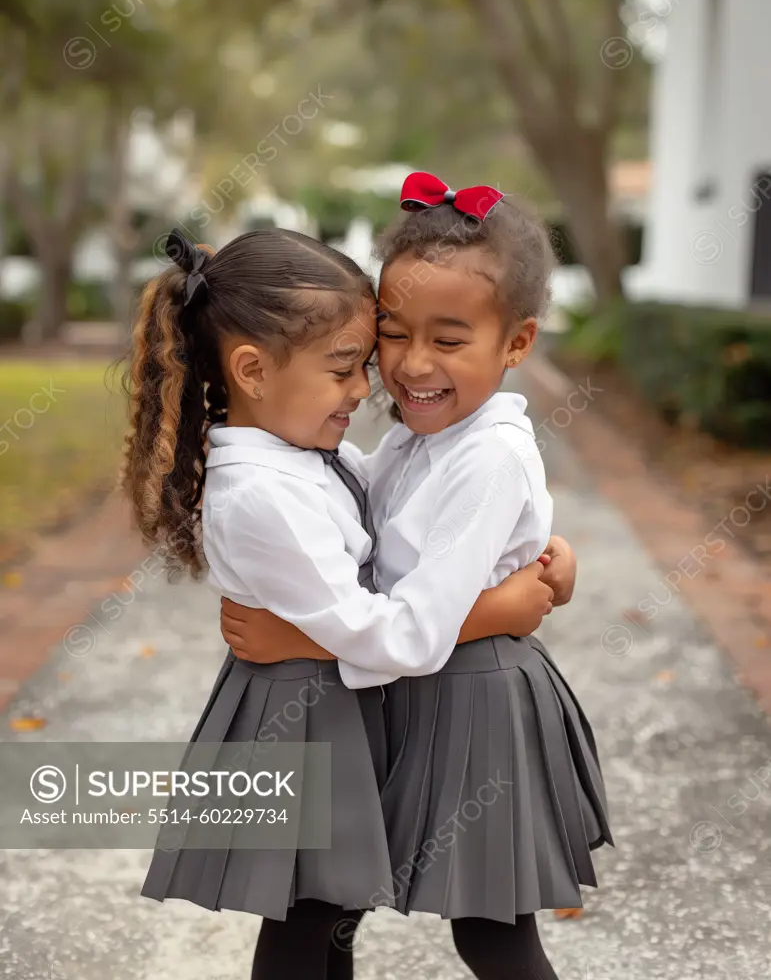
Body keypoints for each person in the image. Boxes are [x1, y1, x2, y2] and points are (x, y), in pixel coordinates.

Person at [121, 225, 563, 980]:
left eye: (362, 363)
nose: (366, 388)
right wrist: (503, 605)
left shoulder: (305, 457)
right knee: (311, 915)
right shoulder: (267, 490)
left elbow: (404, 516)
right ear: (253, 371)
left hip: (331, 698)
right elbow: (381, 624)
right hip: (305, 715)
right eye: (345, 366)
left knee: (329, 915)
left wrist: (539, 548)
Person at [221, 173, 613, 980]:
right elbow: (369, 514)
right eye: (393, 334)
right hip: (420, 686)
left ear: (516, 344)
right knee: (326, 906)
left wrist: (294, 632)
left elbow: (419, 627)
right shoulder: (416, 438)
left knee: (492, 931)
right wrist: (545, 551)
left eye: (449, 338)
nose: (410, 364)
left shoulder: (487, 454)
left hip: (474, 694)